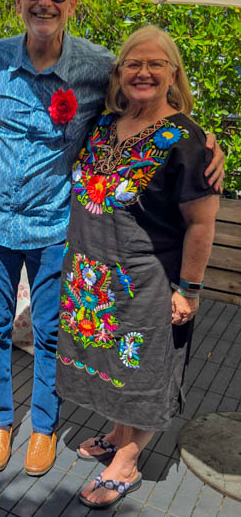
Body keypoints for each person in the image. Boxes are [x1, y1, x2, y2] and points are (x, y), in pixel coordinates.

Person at [0, 0, 224, 477]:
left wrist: (206, 141)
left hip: (53, 228)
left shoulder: (96, 64)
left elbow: (156, 102)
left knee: (50, 334)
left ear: (73, 3)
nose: (45, 1)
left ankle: (44, 427)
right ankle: (0, 420)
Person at [56, 26, 220, 509]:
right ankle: (117, 435)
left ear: (173, 74)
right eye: (133, 63)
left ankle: (126, 462)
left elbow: (201, 224)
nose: (143, 72)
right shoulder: (104, 125)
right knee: (116, 368)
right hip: (94, 280)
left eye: (155, 64)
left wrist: (189, 289)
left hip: (149, 283)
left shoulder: (187, 141)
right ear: (119, 72)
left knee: (144, 372)